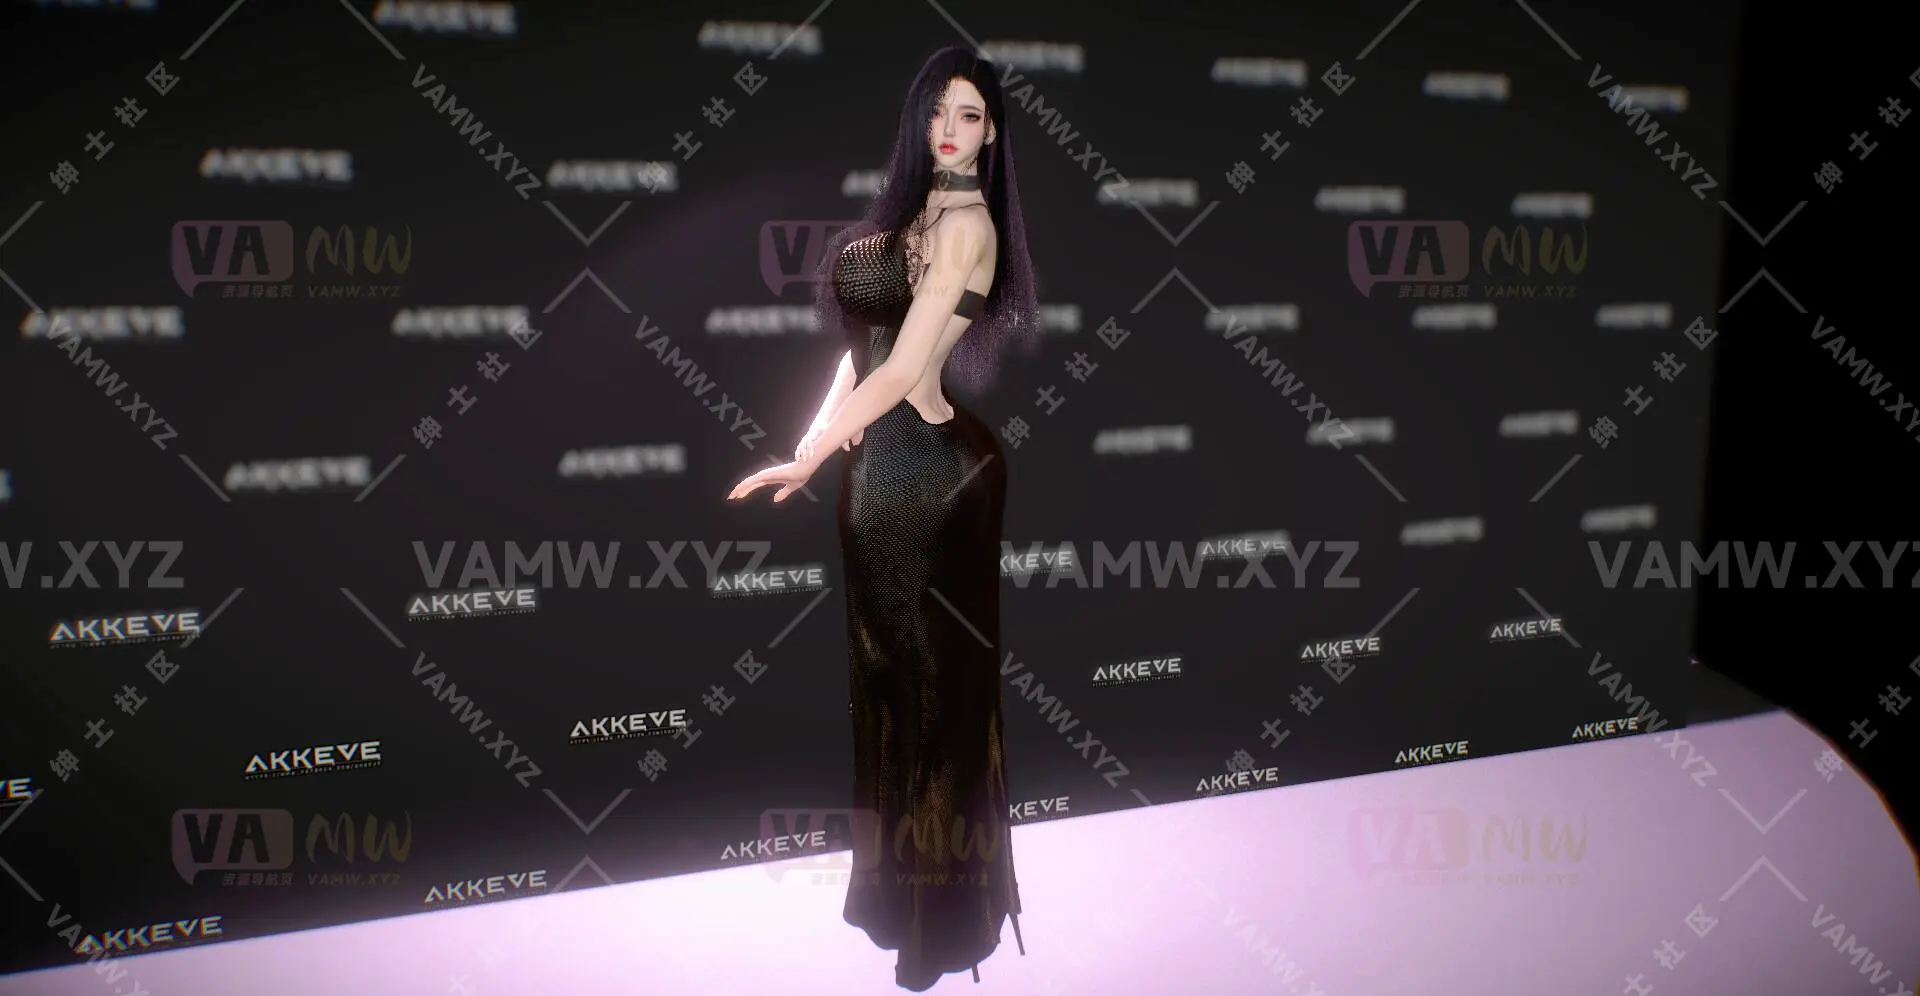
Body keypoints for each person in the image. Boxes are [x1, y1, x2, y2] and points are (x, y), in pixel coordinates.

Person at [726, 45, 1040, 992]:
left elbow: (904, 371)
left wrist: (812, 456)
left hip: (932, 480)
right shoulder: (908, 215)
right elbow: (861, 356)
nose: (951, 128)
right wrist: (814, 438)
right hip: (876, 474)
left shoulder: (969, 225)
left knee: (937, 700)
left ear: (992, 133)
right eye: (938, 110)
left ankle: (940, 927)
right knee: (887, 688)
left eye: (970, 114)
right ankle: (903, 902)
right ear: (918, 118)